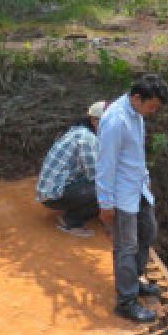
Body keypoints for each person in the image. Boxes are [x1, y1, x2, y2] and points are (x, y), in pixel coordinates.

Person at [96, 73, 168, 323]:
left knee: (148, 233)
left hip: (138, 188)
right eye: (152, 106)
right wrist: (105, 203)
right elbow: (105, 164)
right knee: (126, 247)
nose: (153, 111)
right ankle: (126, 302)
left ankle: (134, 281)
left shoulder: (136, 115)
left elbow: (135, 152)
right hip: (121, 195)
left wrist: (145, 176)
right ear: (137, 98)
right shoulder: (115, 121)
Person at [36, 100, 106, 237]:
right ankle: (70, 222)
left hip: (51, 190)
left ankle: (75, 210)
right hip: (53, 195)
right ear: (95, 121)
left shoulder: (79, 131)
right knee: (107, 188)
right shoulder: (88, 139)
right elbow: (95, 174)